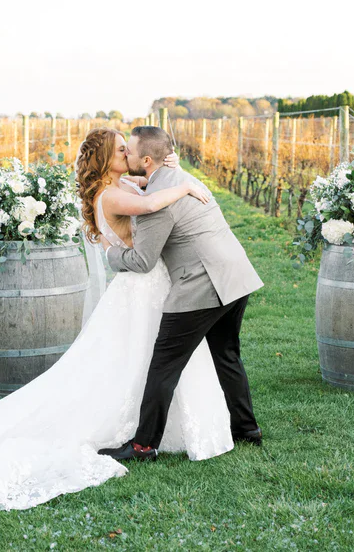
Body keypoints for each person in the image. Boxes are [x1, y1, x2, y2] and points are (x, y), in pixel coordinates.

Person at [0, 127, 235, 515]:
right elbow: (152, 204)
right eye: (122, 150)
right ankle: (143, 435)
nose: (129, 154)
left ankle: (156, 433)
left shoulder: (121, 184)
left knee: (150, 361)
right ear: (106, 159)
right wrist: (185, 187)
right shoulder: (113, 194)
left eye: (130, 150)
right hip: (141, 285)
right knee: (149, 360)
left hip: (148, 285)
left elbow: (148, 179)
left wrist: (172, 167)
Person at [98, 125, 264, 462]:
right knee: (227, 355)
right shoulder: (179, 176)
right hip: (236, 275)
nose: (124, 154)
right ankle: (247, 430)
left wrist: (108, 253)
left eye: (128, 151)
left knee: (163, 366)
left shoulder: (155, 205)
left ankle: (143, 446)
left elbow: (143, 261)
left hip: (202, 284)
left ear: (146, 160)